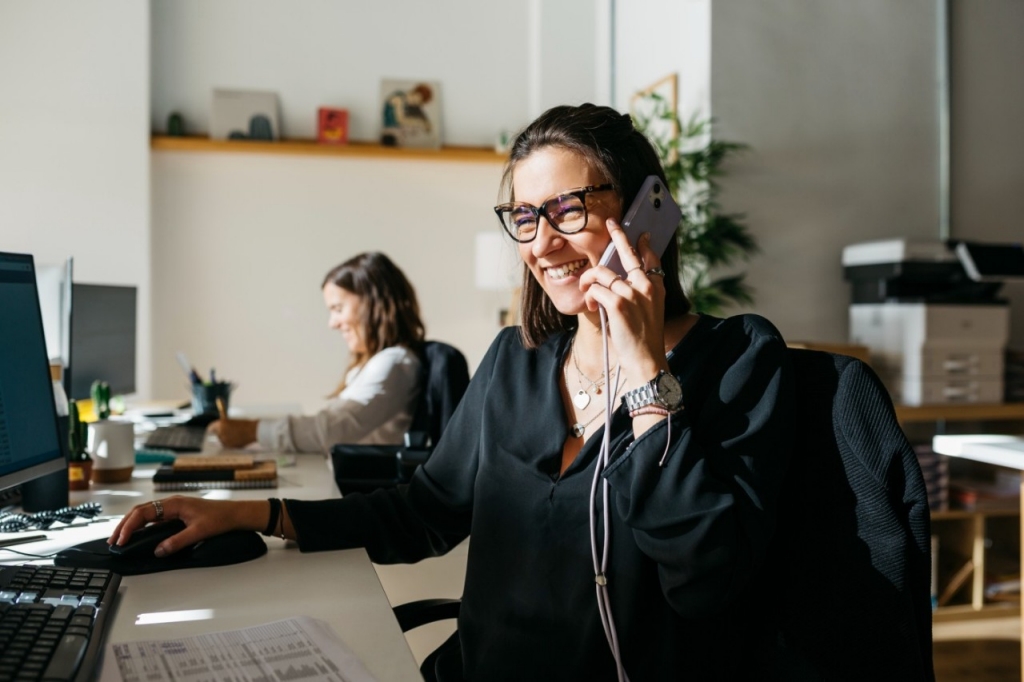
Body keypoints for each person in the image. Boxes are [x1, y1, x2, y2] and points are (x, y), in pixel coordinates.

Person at [112, 104, 794, 681]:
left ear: (648, 211)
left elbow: (705, 580)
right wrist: (254, 515)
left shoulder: (739, 359)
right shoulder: (515, 363)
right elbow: (424, 514)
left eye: (567, 209)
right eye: (524, 216)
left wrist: (644, 368)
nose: (542, 242)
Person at [211, 251, 425, 455]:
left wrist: (251, 431)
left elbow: (331, 431)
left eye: (338, 309)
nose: (332, 323)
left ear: (373, 304)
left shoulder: (393, 364)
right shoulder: (374, 363)